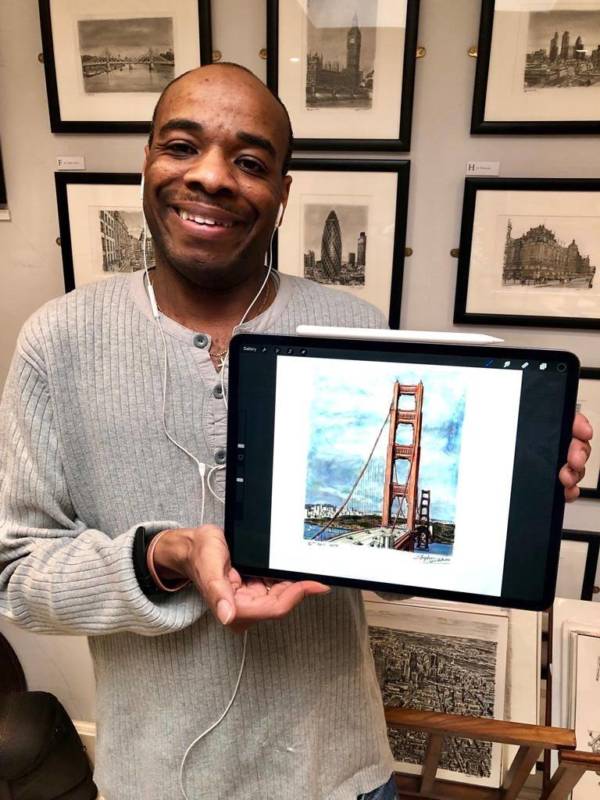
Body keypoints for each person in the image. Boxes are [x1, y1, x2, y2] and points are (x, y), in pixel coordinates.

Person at [0, 64, 592, 800]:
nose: (212, 177)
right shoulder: (56, 342)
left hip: (339, 774)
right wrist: (163, 555)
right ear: (147, 160)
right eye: (181, 145)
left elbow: (398, 566)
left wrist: (504, 492)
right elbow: (17, 575)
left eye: (250, 162)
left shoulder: (357, 329)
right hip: (154, 779)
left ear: (282, 193)